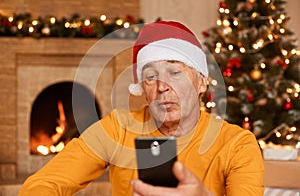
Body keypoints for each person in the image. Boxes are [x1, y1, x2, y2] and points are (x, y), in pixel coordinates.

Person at [19, 20, 264, 196]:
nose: (162, 87)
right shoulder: (117, 129)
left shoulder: (237, 144)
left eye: (175, 72)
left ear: (201, 83)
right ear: (143, 90)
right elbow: (43, 184)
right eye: (150, 76)